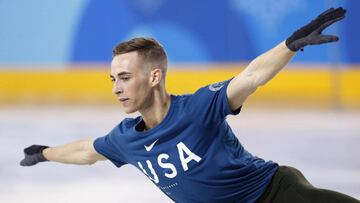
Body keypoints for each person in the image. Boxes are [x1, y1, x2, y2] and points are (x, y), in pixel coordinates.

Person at [20, 7, 359, 203]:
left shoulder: (198, 107)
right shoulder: (125, 138)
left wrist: (289, 45)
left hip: (274, 195)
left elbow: (251, 77)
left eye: (124, 77)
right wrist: (45, 152)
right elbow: (85, 152)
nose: (117, 88)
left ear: (154, 77)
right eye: (113, 80)